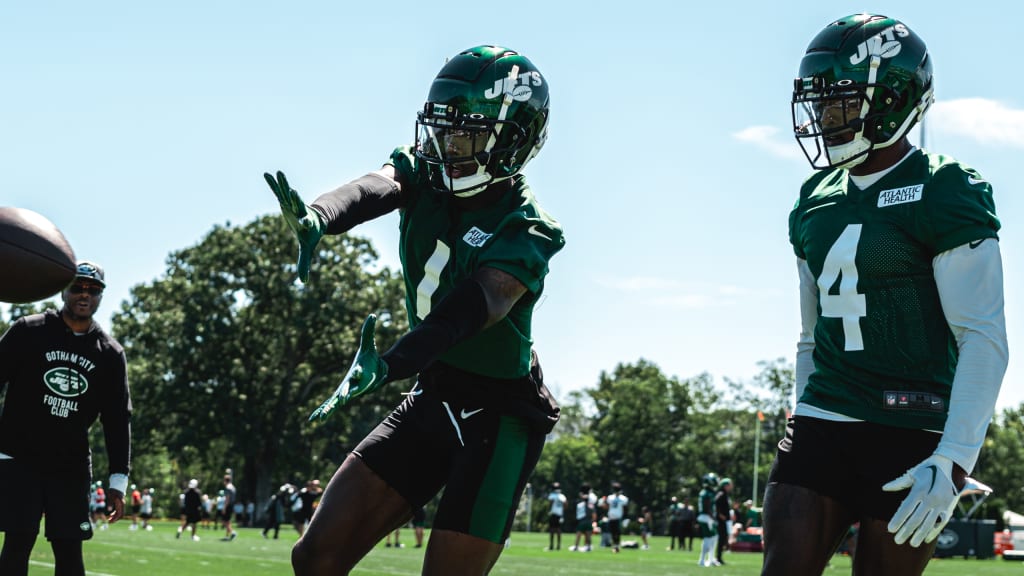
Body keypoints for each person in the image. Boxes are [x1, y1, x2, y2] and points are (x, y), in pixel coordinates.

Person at [268, 45, 563, 576]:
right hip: (435, 391)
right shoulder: (426, 172)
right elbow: (380, 183)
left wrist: (391, 363)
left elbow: (471, 309)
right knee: (316, 556)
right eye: (442, 128)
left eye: (465, 133)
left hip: (499, 416)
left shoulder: (527, 226)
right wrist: (320, 216)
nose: (446, 144)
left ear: (512, 141)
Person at [762, 14, 1008, 576]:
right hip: (825, 418)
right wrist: (803, 413)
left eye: (840, 100)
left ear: (893, 99)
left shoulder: (945, 188)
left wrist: (953, 460)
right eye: (819, 102)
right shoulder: (813, 198)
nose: (824, 118)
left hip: (911, 432)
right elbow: (810, 337)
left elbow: (983, 337)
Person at [0, 261, 132, 576]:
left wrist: (118, 480)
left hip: (70, 466)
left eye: (93, 290)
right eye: (78, 287)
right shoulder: (29, 330)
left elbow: (117, 419)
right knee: (17, 543)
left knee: (70, 549)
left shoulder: (109, 354)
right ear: (64, 289)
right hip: (19, 458)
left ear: (101, 296)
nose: (84, 295)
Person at [697, 473, 719, 567]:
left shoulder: (704, 492)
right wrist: (713, 518)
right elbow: (707, 508)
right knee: (708, 539)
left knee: (714, 537)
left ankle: (710, 559)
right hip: (707, 518)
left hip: (706, 517)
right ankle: (702, 560)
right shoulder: (707, 494)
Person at [602, 482, 628, 554]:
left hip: (618, 517)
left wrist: (625, 518)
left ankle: (616, 546)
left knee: (617, 533)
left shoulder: (623, 498)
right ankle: (615, 546)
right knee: (613, 533)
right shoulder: (610, 497)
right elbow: (607, 506)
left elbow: (625, 509)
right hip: (611, 517)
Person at [714, 478, 733, 565]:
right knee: (721, 538)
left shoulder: (724, 494)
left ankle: (719, 557)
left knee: (723, 538)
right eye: (729, 485)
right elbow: (716, 505)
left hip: (724, 520)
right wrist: (721, 515)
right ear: (725, 485)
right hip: (721, 520)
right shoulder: (721, 494)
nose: (731, 487)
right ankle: (718, 557)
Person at [546, 482, 567, 550]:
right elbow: (566, 504)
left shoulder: (552, 495)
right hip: (560, 514)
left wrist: (549, 511)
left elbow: (550, 503)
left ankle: (551, 545)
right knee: (558, 530)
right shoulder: (562, 496)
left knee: (552, 530)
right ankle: (558, 546)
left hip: (553, 514)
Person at [221, 474, 238, 541]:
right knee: (228, 521)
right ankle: (227, 536)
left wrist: (224, 508)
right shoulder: (233, 487)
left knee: (224, 521)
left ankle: (232, 532)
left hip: (228, 505)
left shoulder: (228, 487)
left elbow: (227, 499)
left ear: (225, 480)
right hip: (232, 505)